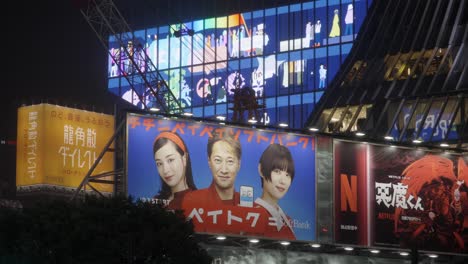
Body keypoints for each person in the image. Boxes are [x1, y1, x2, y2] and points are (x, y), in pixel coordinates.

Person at [182, 129, 242, 207]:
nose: (224, 170)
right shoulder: (192, 201)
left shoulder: (250, 207)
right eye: (218, 160)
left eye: (230, 161)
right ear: (209, 161)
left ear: (239, 164)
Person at [254, 143, 296, 240]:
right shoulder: (252, 215)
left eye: (287, 175)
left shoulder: (287, 221)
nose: (283, 181)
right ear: (261, 170)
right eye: (277, 171)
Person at [153, 131, 197, 210]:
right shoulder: (156, 201)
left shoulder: (198, 201)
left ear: (184, 158)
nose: (165, 170)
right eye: (159, 164)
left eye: (170, 160)